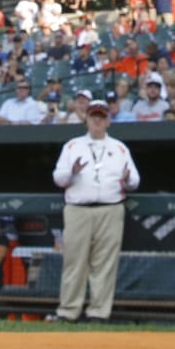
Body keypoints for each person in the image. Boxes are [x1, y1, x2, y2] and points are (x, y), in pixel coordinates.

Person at [52, 97, 138, 322]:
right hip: (78, 209)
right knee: (74, 261)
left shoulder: (119, 147)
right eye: (94, 116)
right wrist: (72, 171)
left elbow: (135, 181)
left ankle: (99, 312)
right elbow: (58, 178)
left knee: (105, 263)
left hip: (110, 208)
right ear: (87, 119)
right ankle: (69, 310)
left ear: (108, 120)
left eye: (102, 117)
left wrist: (128, 180)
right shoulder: (72, 145)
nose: (97, 121)